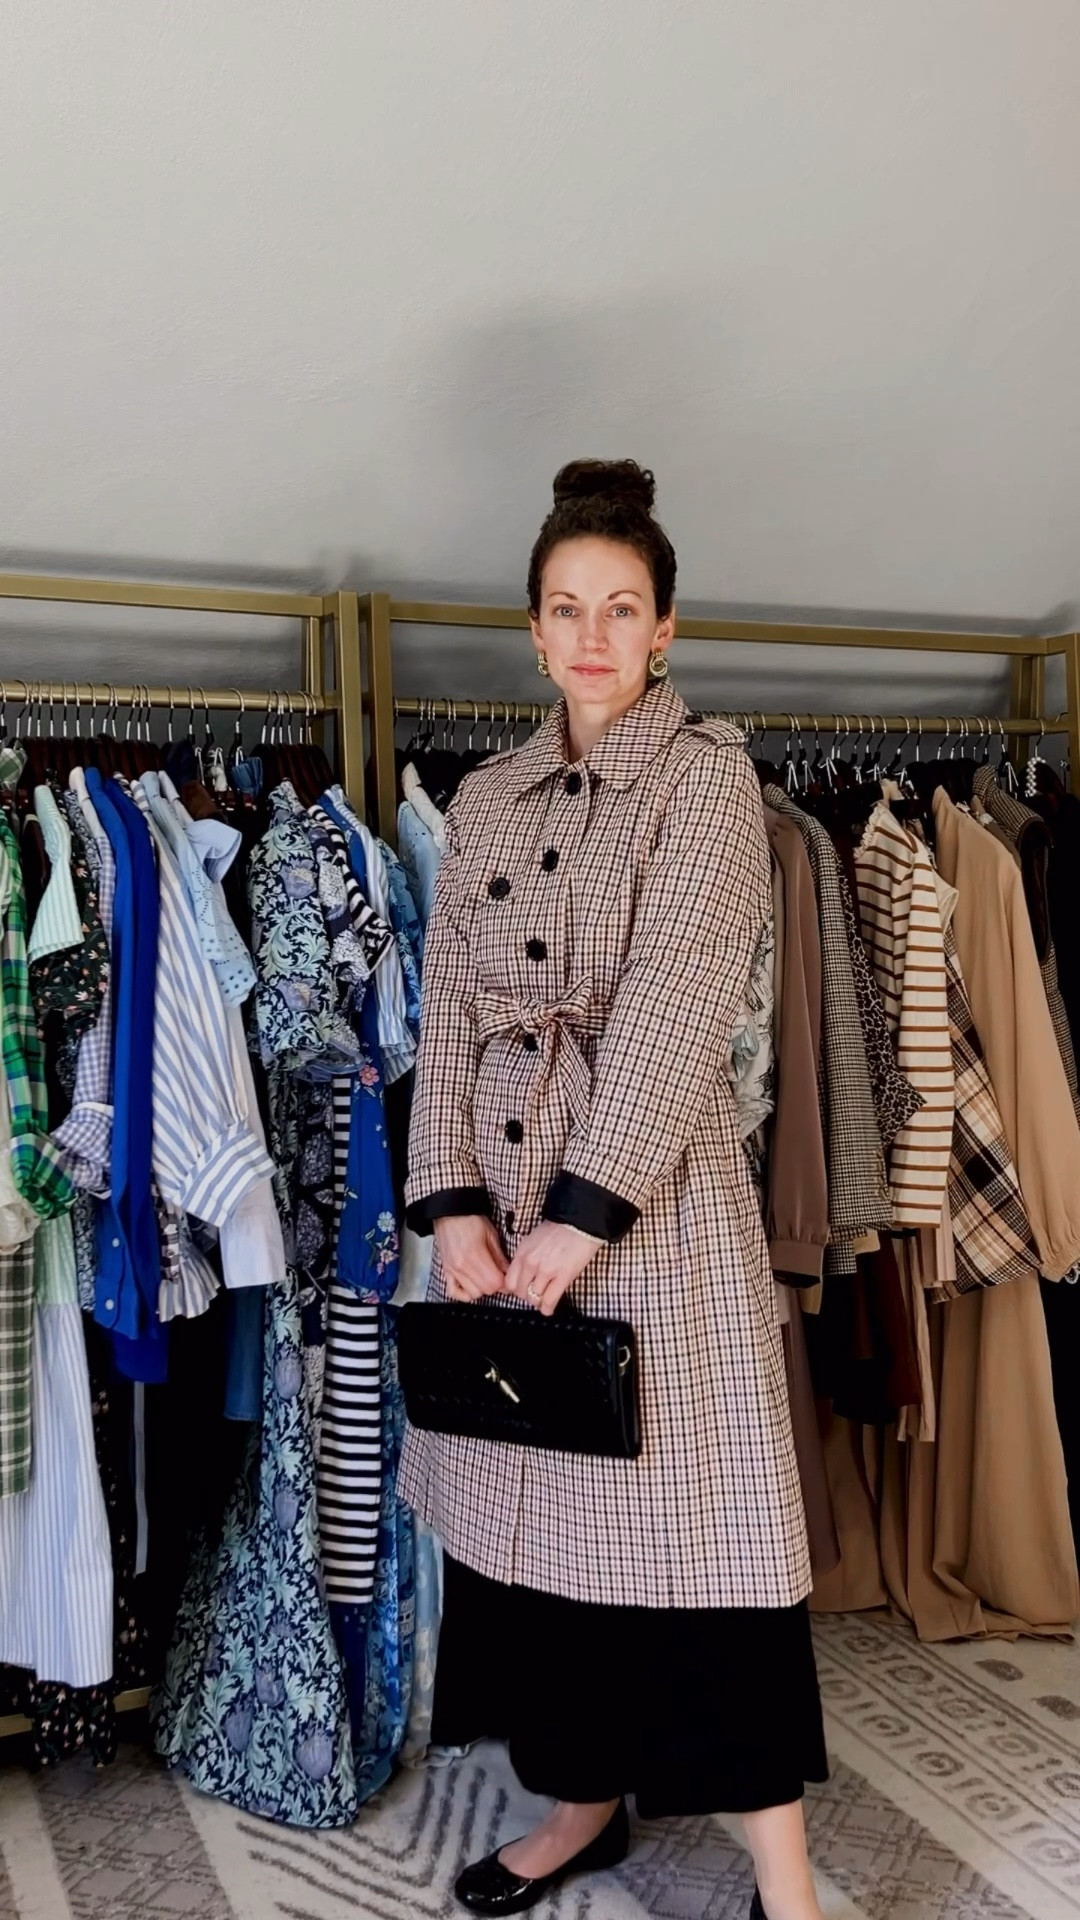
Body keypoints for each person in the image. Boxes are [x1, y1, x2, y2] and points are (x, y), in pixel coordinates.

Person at [401, 459, 827, 1920]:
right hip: (499, 1212)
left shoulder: (708, 777)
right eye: (566, 609)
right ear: (533, 631)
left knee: (711, 1551)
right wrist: (454, 1207)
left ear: (665, 630)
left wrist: (575, 1231)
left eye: (621, 608)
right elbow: (448, 1009)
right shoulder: (487, 795)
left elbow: (677, 1002)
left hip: (651, 1219)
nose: (593, 636)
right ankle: (582, 1808)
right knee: (538, 1563)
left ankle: (789, 1882)